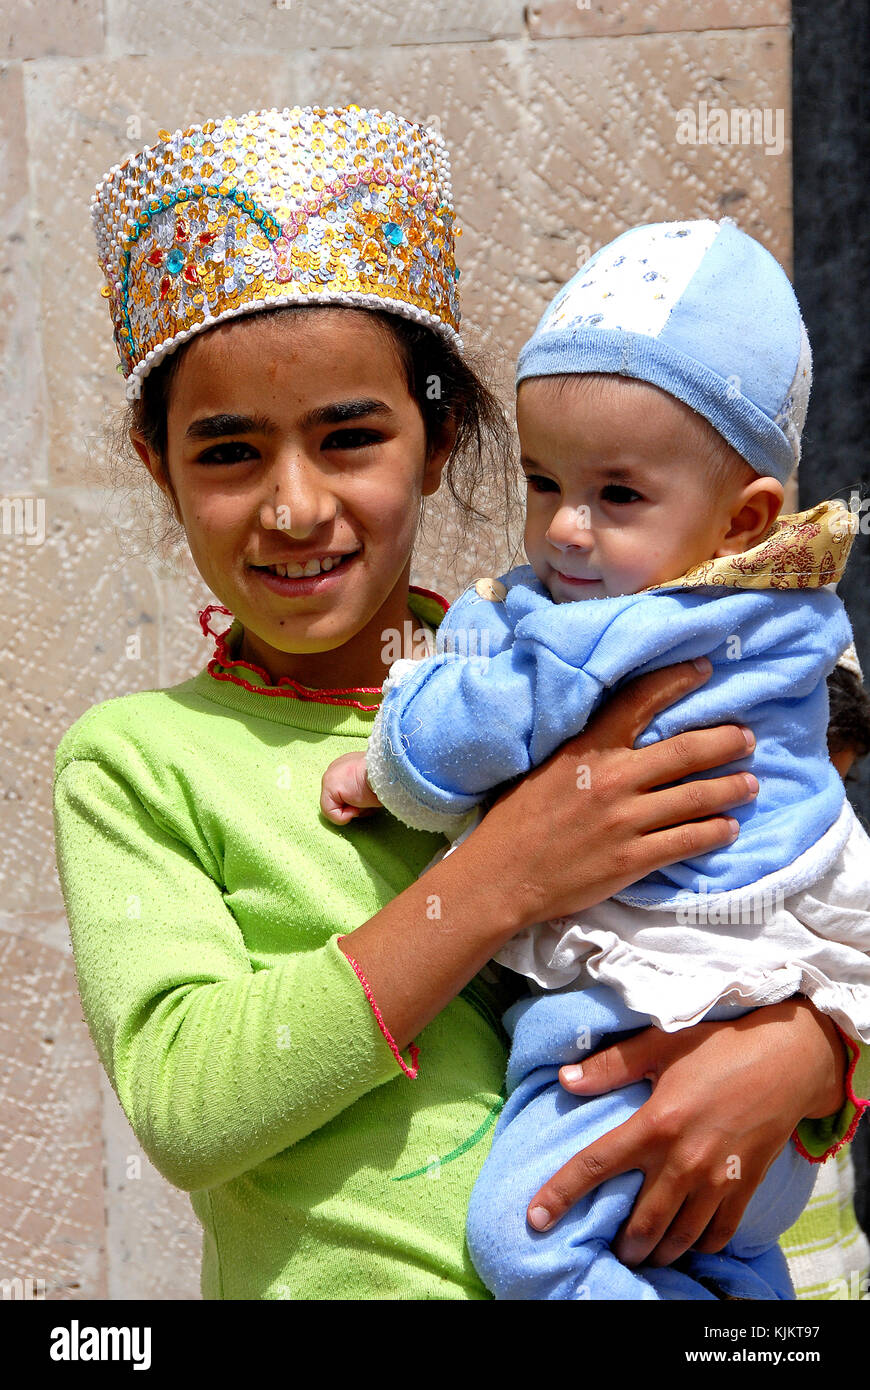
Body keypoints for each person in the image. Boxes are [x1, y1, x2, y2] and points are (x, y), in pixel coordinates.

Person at [54, 108, 867, 1301]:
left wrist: (811, 1052)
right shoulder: (141, 762)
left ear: (437, 438)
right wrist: (501, 879)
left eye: (350, 437)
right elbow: (190, 1103)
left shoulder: (629, 667)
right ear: (153, 460)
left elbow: (813, 898)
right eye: (229, 452)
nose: (293, 506)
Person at [321, 220, 870, 1299]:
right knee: (733, 1265)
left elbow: (462, 734)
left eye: (617, 496)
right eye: (541, 481)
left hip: (645, 1032)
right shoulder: (803, 622)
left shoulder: (620, 629)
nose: (566, 530)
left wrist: (382, 762)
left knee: (527, 1246)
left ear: (742, 517)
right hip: (776, 1101)